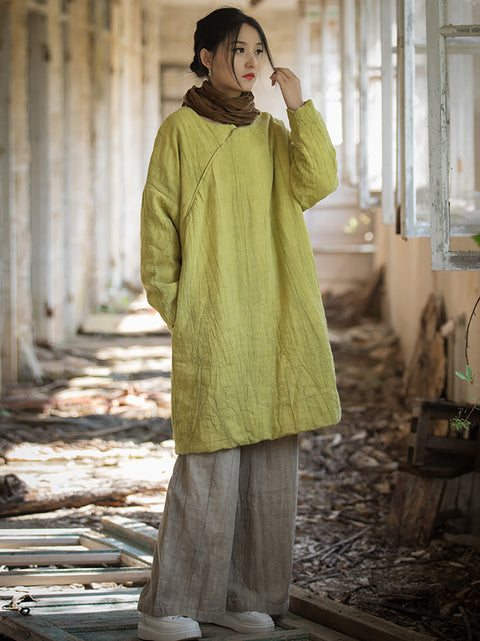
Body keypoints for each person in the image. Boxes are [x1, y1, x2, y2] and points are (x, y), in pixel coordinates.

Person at [137, 7, 341, 641]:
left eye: (258, 49)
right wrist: (186, 310)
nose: (250, 60)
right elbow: (157, 230)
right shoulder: (180, 131)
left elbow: (319, 180)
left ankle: (242, 595)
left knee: (270, 460)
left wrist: (299, 105)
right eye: (235, 49)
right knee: (210, 461)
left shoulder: (273, 135)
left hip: (277, 320)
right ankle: (168, 604)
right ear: (204, 57)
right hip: (217, 325)